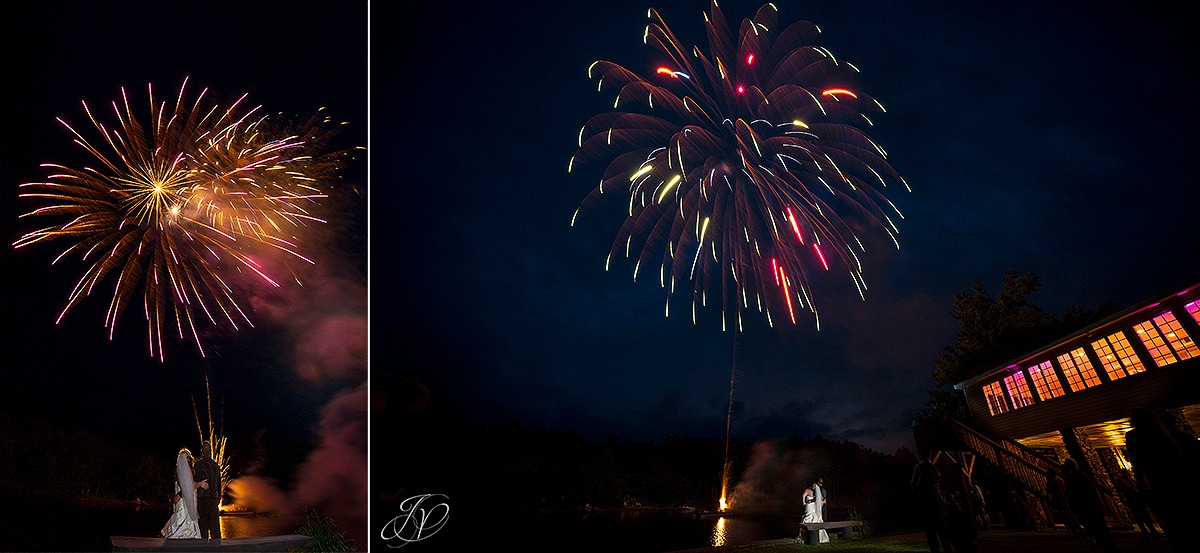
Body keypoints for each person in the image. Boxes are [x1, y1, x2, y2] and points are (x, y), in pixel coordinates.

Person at [1060, 458, 1118, 553]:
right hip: (1091, 507)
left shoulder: (1075, 477)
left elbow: (1074, 493)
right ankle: (1108, 546)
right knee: (1100, 530)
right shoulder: (1080, 475)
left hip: (1088, 508)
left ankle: (1110, 548)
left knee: (1099, 530)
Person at [911, 453, 952, 553]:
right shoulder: (935, 469)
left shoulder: (919, 468)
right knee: (943, 534)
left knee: (931, 535)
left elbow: (914, 485)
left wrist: (917, 472)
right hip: (937, 504)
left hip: (927, 505)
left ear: (921, 457)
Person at [161, 448, 200, 539]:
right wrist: (200, 484)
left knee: (181, 514)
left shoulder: (178, 471)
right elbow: (191, 485)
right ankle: (184, 534)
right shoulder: (188, 471)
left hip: (181, 498)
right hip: (187, 497)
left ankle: (177, 533)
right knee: (186, 516)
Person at [192, 440, 222, 540]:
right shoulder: (216, 466)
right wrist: (218, 498)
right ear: (210, 451)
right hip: (213, 499)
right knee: (215, 527)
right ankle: (217, 547)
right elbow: (219, 485)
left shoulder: (198, 465)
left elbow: (195, 482)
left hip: (202, 498)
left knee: (203, 526)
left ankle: (203, 547)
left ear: (202, 451)